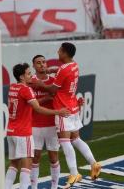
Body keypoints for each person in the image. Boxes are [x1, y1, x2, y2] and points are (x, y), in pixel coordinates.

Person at [32, 43, 101, 188]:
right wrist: (52, 70)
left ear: (64, 53)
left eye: (59, 50)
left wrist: (40, 83)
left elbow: (52, 88)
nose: (57, 52)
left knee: (65, 141)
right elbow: (61, 72)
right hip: (73, 106)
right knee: (75, 138)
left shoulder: (63, 70)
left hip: (63, 108)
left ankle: (74, 173)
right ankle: (94, 163)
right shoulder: (74, 65)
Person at [5, 63, 70, 189]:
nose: (31, 76)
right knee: (27, 165)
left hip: (11, 131)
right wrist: (58, 112)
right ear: (22, 77)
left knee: (13, 164)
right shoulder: (26, 89)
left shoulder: (12, 87)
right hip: (23, 132)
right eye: (28, 74)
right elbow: (38, 108)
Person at [29, 55, 60, 189]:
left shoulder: (54, 81)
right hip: (35, 124)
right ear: (34, 66)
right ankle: (34, 186)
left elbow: (60, 98)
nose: (42, 64)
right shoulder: (30, 82)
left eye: (43, 62)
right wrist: (47, 97)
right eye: (38, 63)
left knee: (53, 157)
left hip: (52, 125)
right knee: (35, 158)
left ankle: (54, 186)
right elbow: (30, 104)